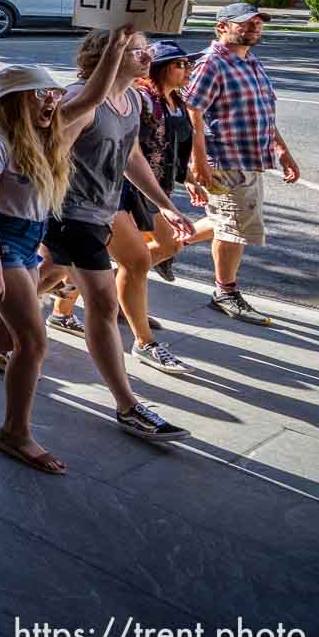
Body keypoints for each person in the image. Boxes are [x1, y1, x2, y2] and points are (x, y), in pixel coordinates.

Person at [0, 46, 163, 474]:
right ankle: (14, 433)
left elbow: (92, 97)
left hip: (27, 240)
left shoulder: (46, 134)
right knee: (34, 343)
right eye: (38, 94)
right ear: (16, 101)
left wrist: (117, 43)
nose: (50, 101)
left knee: (3, 340)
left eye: (51, 94)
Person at [39, 28, 199, 421]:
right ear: (106, 53)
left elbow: (130, 158)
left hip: (104, 210)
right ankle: (127, 403)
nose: (147, 57)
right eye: (135, 51)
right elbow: (46, 155)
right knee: (103, 302)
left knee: (47, 275)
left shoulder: (129, 100)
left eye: (146, 51)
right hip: (69, 213)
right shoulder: (80, 98)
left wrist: (167, 206)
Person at [185, 3, 298, 326]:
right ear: (222, 27)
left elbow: (264, 110)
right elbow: (193, 113)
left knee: (228, 221)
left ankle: (158, 251)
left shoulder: (250, 61)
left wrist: (283, 150)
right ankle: (225, 292)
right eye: (244, 25)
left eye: (257, 25)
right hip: (225, 158)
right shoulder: (211, 64)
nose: (252, 30)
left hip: (251, 158)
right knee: (232, 229)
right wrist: (197, 161)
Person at [130, 40, 206, 283]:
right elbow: (130, 151)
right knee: (165, 246)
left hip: (160, 187)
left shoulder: (176, 102)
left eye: (189, 63)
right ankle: (80, 302)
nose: (189, 69)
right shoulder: (142, 100)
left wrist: (189, 179)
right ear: (159, 68)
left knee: (137, 253)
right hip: (134, 189)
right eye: (181, 64)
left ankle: (113, 296)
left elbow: (178, 145)